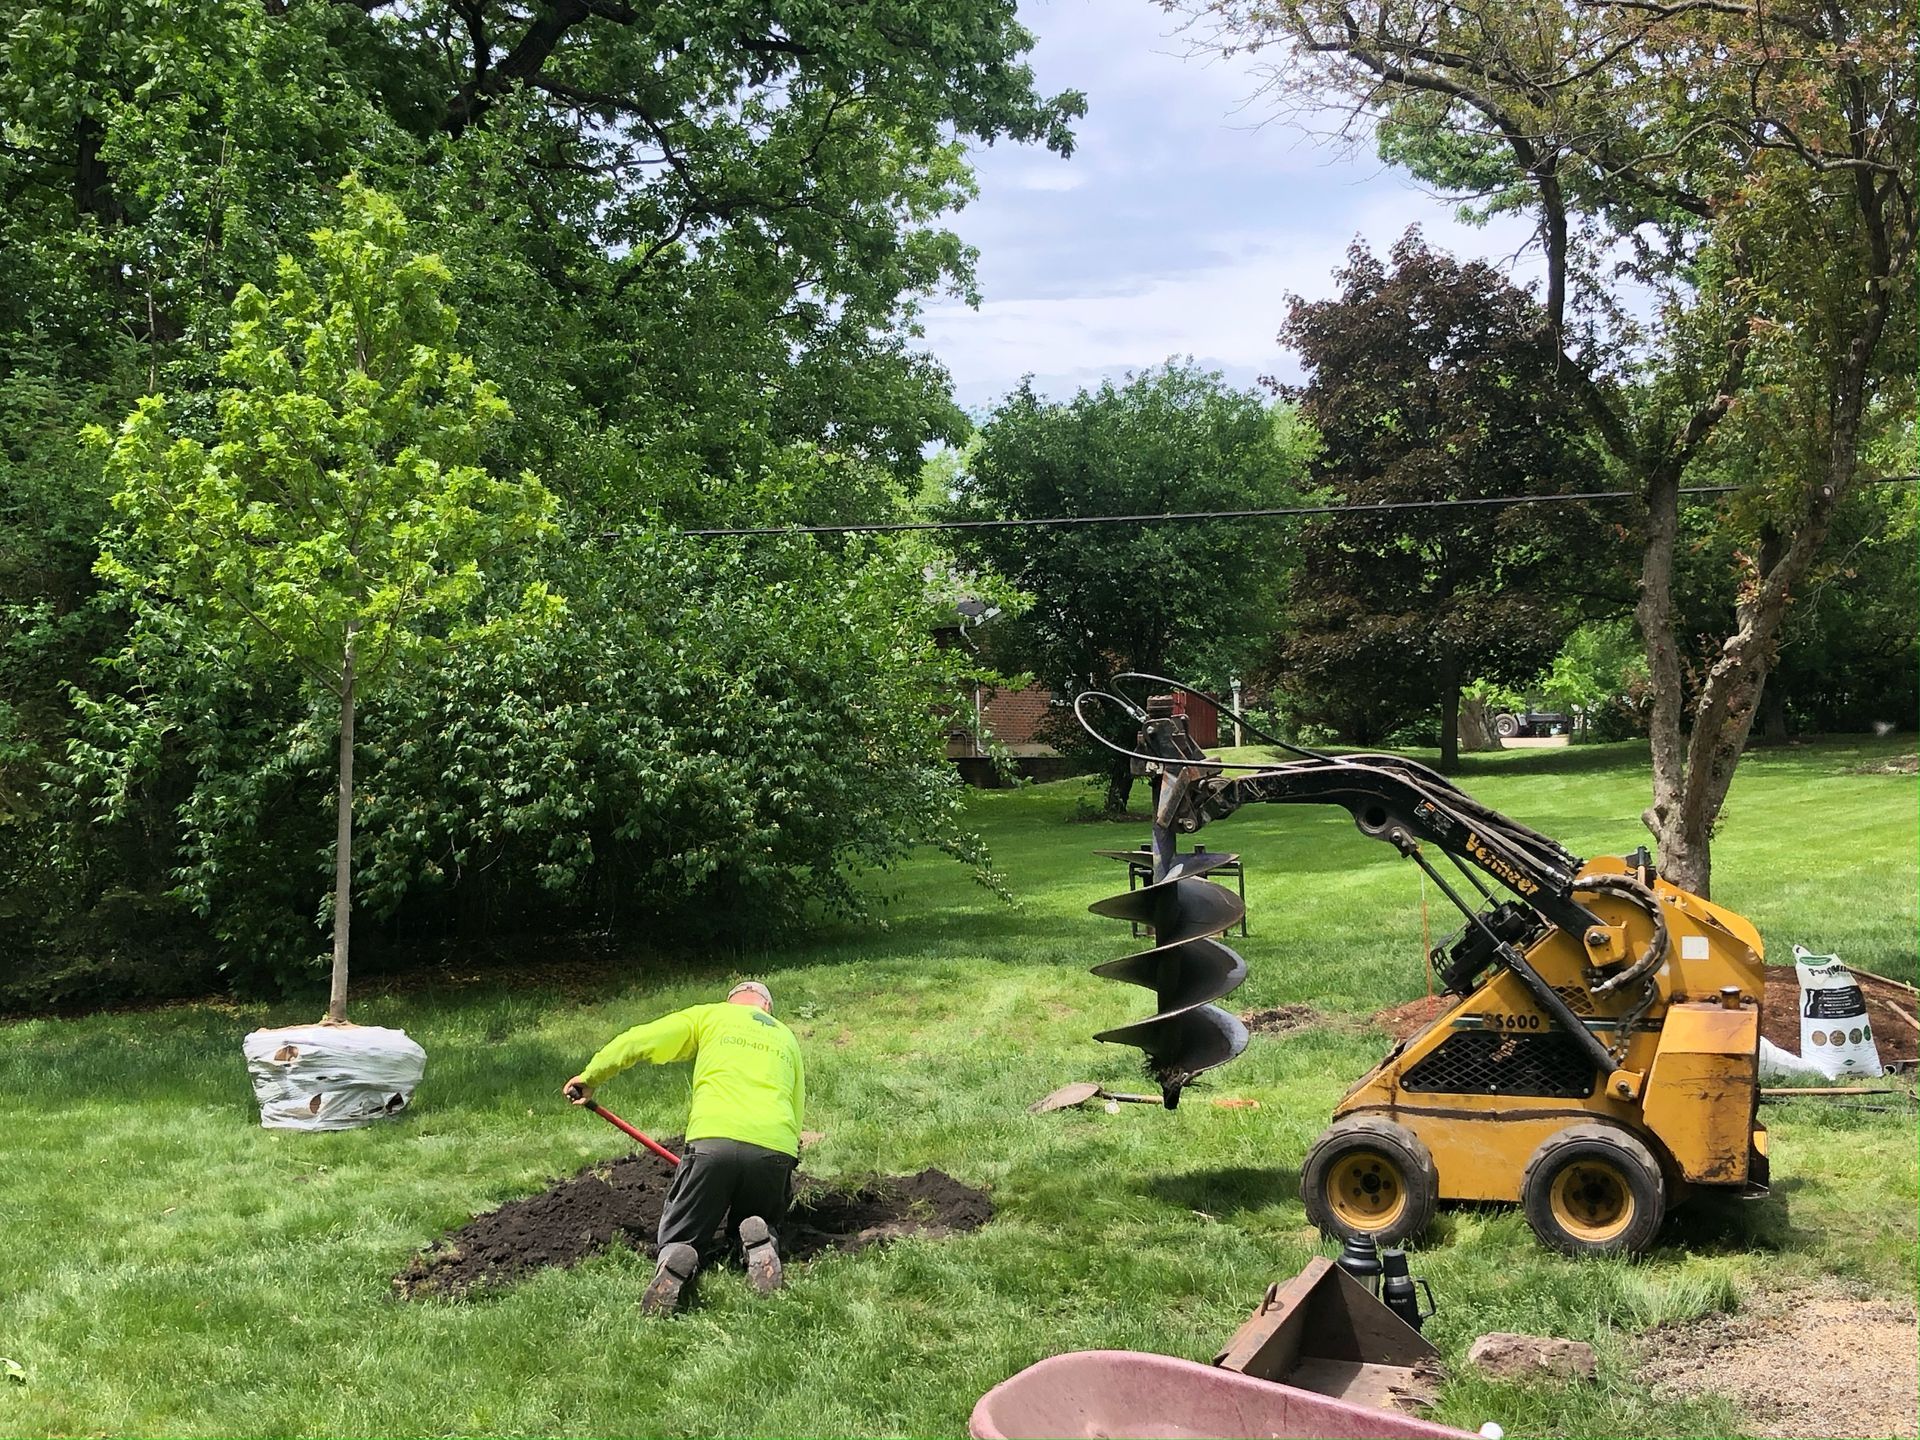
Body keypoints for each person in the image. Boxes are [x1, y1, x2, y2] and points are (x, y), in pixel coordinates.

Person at [564, 980, 804, 1315]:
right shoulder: (786, 1037)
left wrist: (591, 1076)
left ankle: (677, 1256)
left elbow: (641, 1039)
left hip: (713, 1142)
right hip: (774, 1149)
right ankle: (758, 1242)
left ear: (731, 1001)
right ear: (766, 1008)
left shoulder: (711, 1017)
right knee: (757, 1217)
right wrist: (787, 1162)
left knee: (683, 1229)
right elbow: (796, 1103)